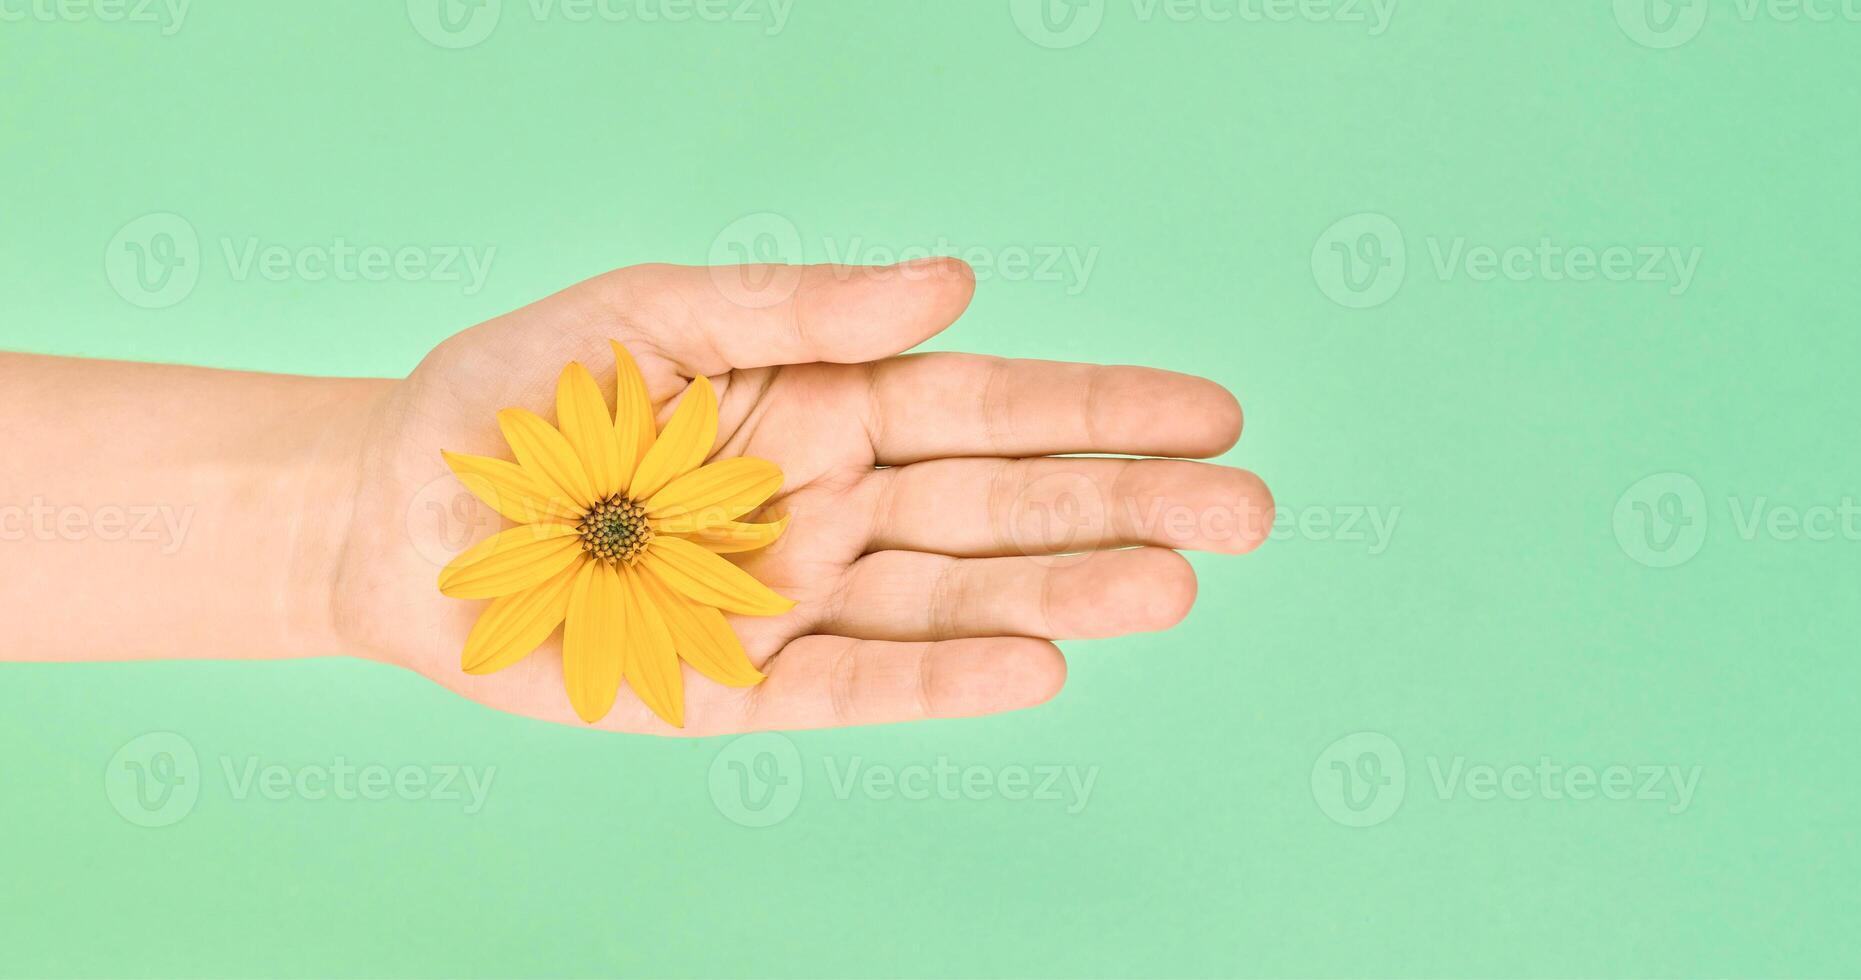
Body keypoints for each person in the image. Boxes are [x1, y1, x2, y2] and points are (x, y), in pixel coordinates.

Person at [0, 258, 1273, 734]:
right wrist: (343, 506)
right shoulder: (604, 528)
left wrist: (344, 494)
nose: (615, 526)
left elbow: (688, 534)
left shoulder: (661, 523)